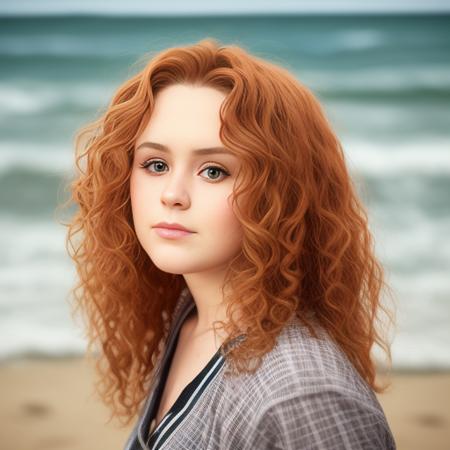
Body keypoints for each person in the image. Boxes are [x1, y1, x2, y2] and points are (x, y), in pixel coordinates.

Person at [63, 38, 397, 449]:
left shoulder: (301, 394)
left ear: (282, 195)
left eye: (215, 171)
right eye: (156, 164)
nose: (172, 194)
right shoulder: (189, 316)